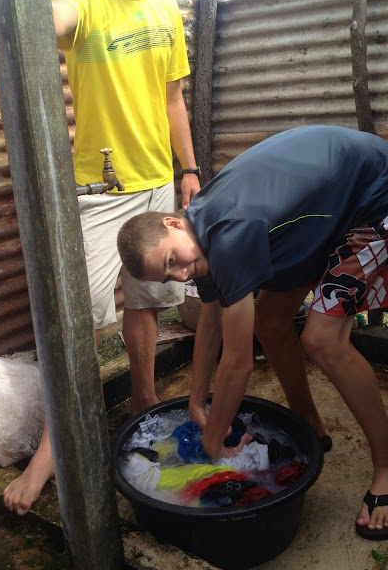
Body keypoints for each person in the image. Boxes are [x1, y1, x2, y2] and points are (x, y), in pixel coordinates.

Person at [0, 0, 200, 515]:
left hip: (157, 181)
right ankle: (52, 453)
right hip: (101, 188)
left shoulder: (167, 7)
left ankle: (143, 398)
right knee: (84, 322)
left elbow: (173, 98)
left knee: (146, 302)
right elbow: (42, 23)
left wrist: (189, 169)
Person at [117, 124, 388, 539]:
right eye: (170, 275)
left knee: (322, 339)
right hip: (329, 206)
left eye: (173, 261)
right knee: (269, 320)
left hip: (374, 195)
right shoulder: (200, 230)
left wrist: (213, 443)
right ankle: (308, 422)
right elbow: (211, 322)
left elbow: (239, 362)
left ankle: (386, 468)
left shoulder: (229, 233)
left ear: (173, 223)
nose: (182, 274)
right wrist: (196, 401)